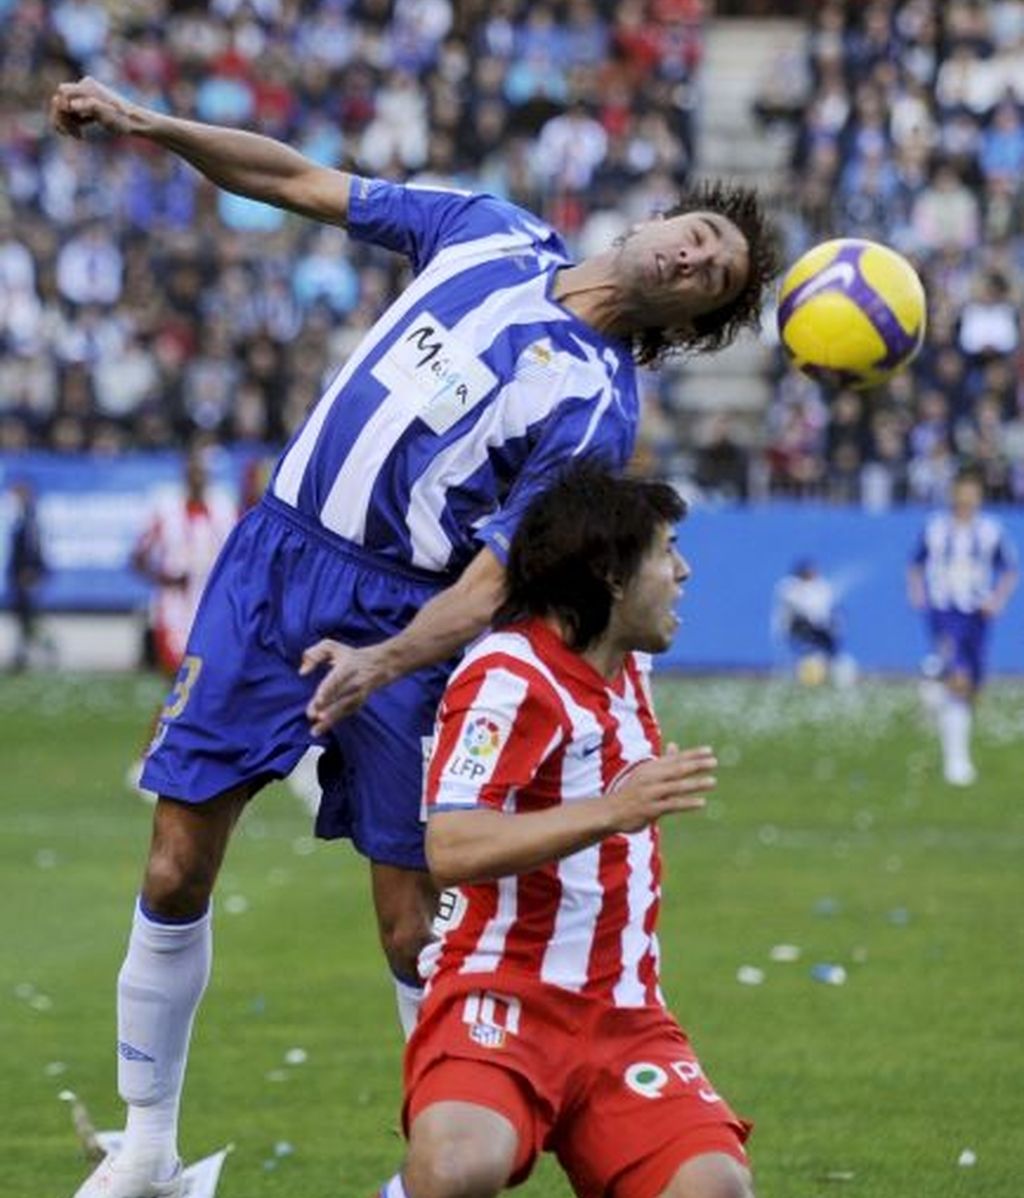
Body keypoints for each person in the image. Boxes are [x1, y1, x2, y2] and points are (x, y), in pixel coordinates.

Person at [50, 74, 777, 1198]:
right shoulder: (486, 231)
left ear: (692, 324)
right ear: (660, 219)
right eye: (699, 234)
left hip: (409, 619)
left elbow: (492, 581)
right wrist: (154, 125)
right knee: (177, 859)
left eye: (713, 276)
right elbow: (295, 178)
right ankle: (148, 1150)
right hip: (278, 562)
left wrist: (382, 663)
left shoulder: (596, 410)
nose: (693, 257)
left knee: (413, 927)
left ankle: (435, 1169)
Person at [381, 461, 753, 1198]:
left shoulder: (625, 664)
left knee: (715, 1189)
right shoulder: (508, 677)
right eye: (666, 551)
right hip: (504, 992)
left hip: (624, 1009)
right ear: (612, 575)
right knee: (459, 1167)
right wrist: (615, 811)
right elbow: (451, 848)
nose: (683, 570)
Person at [907, 467, 1018, 786]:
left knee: (974, 685)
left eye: (973, 492)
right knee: (959, 677)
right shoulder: (937, 528)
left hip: (977, 614)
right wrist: (917, 594)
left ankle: (934, 691)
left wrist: (997, 600)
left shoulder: (989, 530)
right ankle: (956, 764)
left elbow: (1009, 568)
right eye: (962, 492)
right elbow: (915, 563)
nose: (967, 498)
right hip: (944, 610)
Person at [131, 445, 238, 677]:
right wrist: (160, 578)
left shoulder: (224, 507)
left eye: (201, 471)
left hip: (214, 601)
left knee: (209, 672)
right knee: (176, 670)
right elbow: (137, 557)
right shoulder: (165, 508)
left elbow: (241, 554)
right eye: (192, 470)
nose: (196, 476)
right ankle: (172, 712)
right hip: (174, 602)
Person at [771, 557, 853, 686]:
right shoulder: (789, 586)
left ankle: (838, 679)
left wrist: (833, 624)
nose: (812, 573)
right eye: (808, 570)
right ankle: (807, 676)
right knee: (809, 652)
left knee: (833, 652)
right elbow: (801, 609)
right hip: (797, 627)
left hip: (820, 627)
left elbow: (829, 608)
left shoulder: (821, 586)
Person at [5, 479, 50, 672]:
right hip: (19, 574)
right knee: (24, 618)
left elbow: (33, 548)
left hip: (26, 575)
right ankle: (23, 653)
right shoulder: (21, 518)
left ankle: (41, 649)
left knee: (27, 617)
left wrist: (30, 570)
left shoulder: (30, 519)